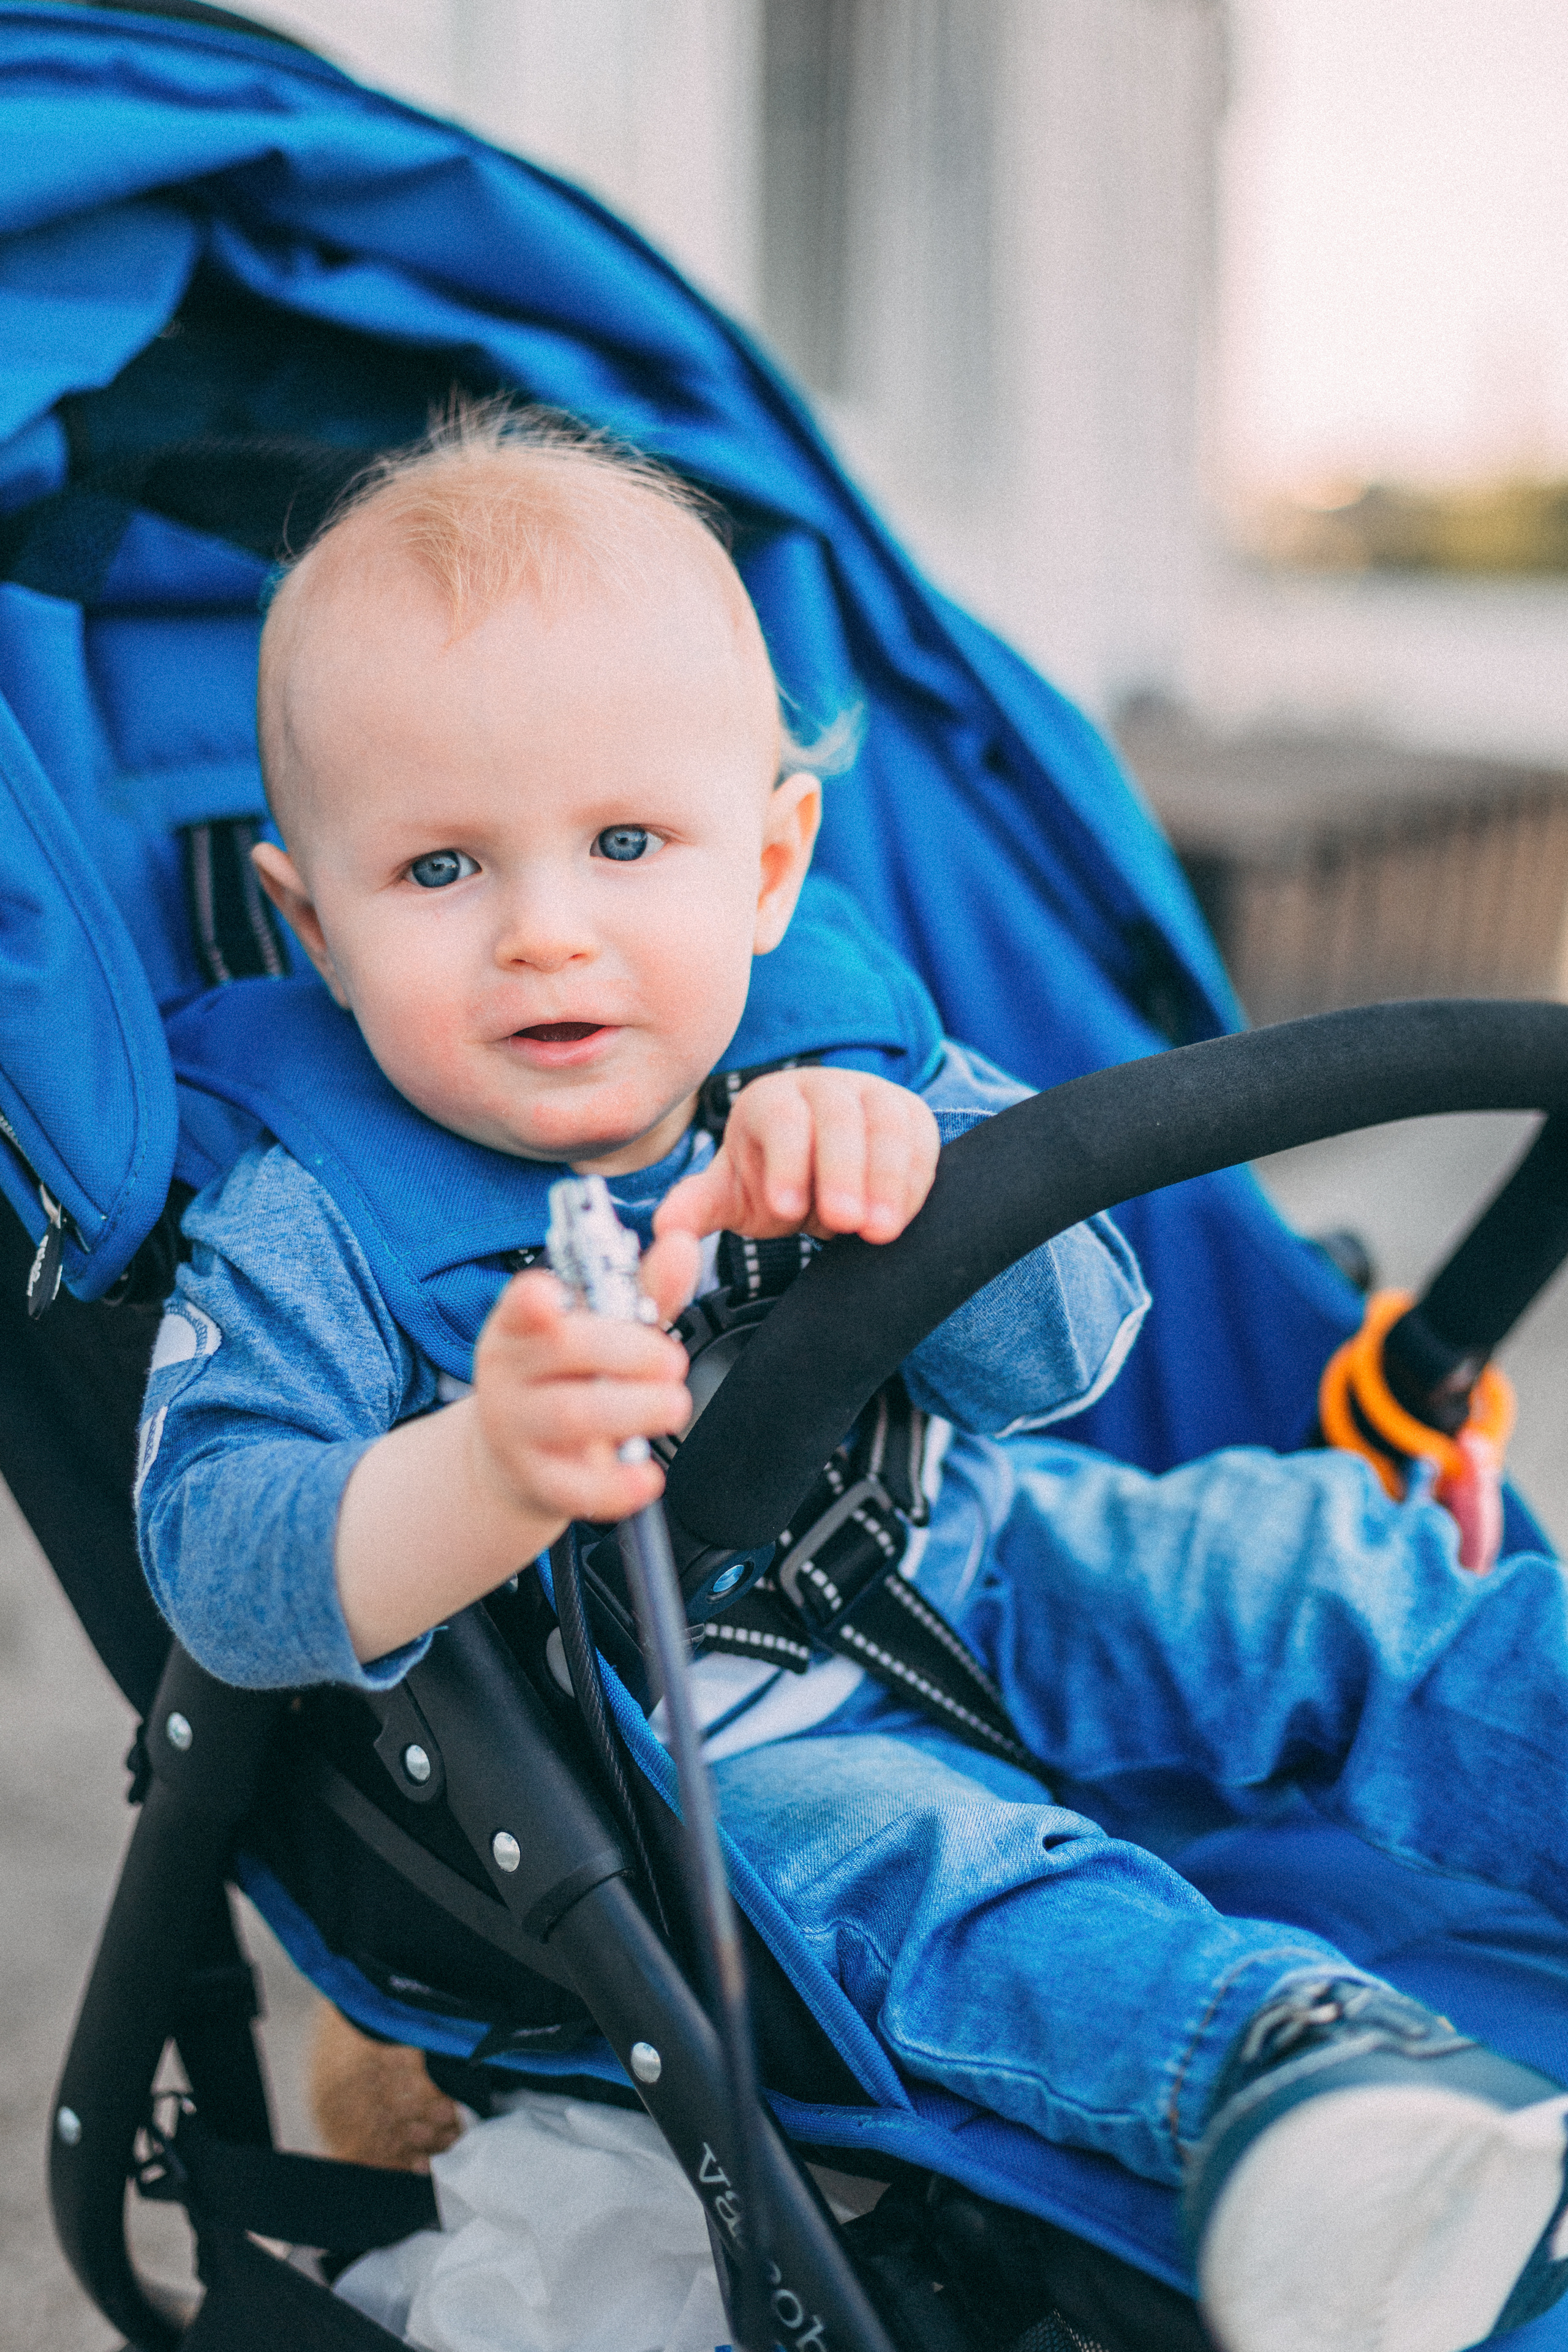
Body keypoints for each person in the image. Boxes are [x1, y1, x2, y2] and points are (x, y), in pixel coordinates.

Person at [135, 405, 1568, 2352]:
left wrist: (933, 1198)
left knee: (1314, 1561)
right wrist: (479, 1469)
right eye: (443, 867)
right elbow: (218, 1560)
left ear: (770, 863)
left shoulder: (851, 1071)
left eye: (629, 843)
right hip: (702, 1757)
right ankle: (1307, 2092)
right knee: (956, 1882)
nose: (548, 927)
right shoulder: (318, 1218)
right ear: (313, 924)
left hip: (983, 1561)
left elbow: (1064, 1365)